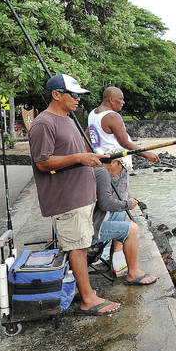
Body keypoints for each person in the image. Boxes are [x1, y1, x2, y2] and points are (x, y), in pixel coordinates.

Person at [29, 74, 120, 316]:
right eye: (74, 94)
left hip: (82, 195)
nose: (78, 99)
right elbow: (43, 162)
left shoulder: (67, 120)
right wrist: (79, 158)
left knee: (80, 243)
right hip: (66, 199)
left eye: (80, 95)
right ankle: (88, 299)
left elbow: (77, 153)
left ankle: (81, 288)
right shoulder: (43, 124)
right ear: (56, 95)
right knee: (77, 247)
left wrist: (95, 157)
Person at [92, 148, 157, 285]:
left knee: (123, 216)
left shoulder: (95, 168)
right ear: (114, 162)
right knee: (133, 229)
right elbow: (105, 204)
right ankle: (133, 273)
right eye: (122, 168)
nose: (121, 173)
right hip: (90, 227)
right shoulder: (102, 173)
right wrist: (127, 204)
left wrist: (124, 205)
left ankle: (118, 253)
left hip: (91, 219)